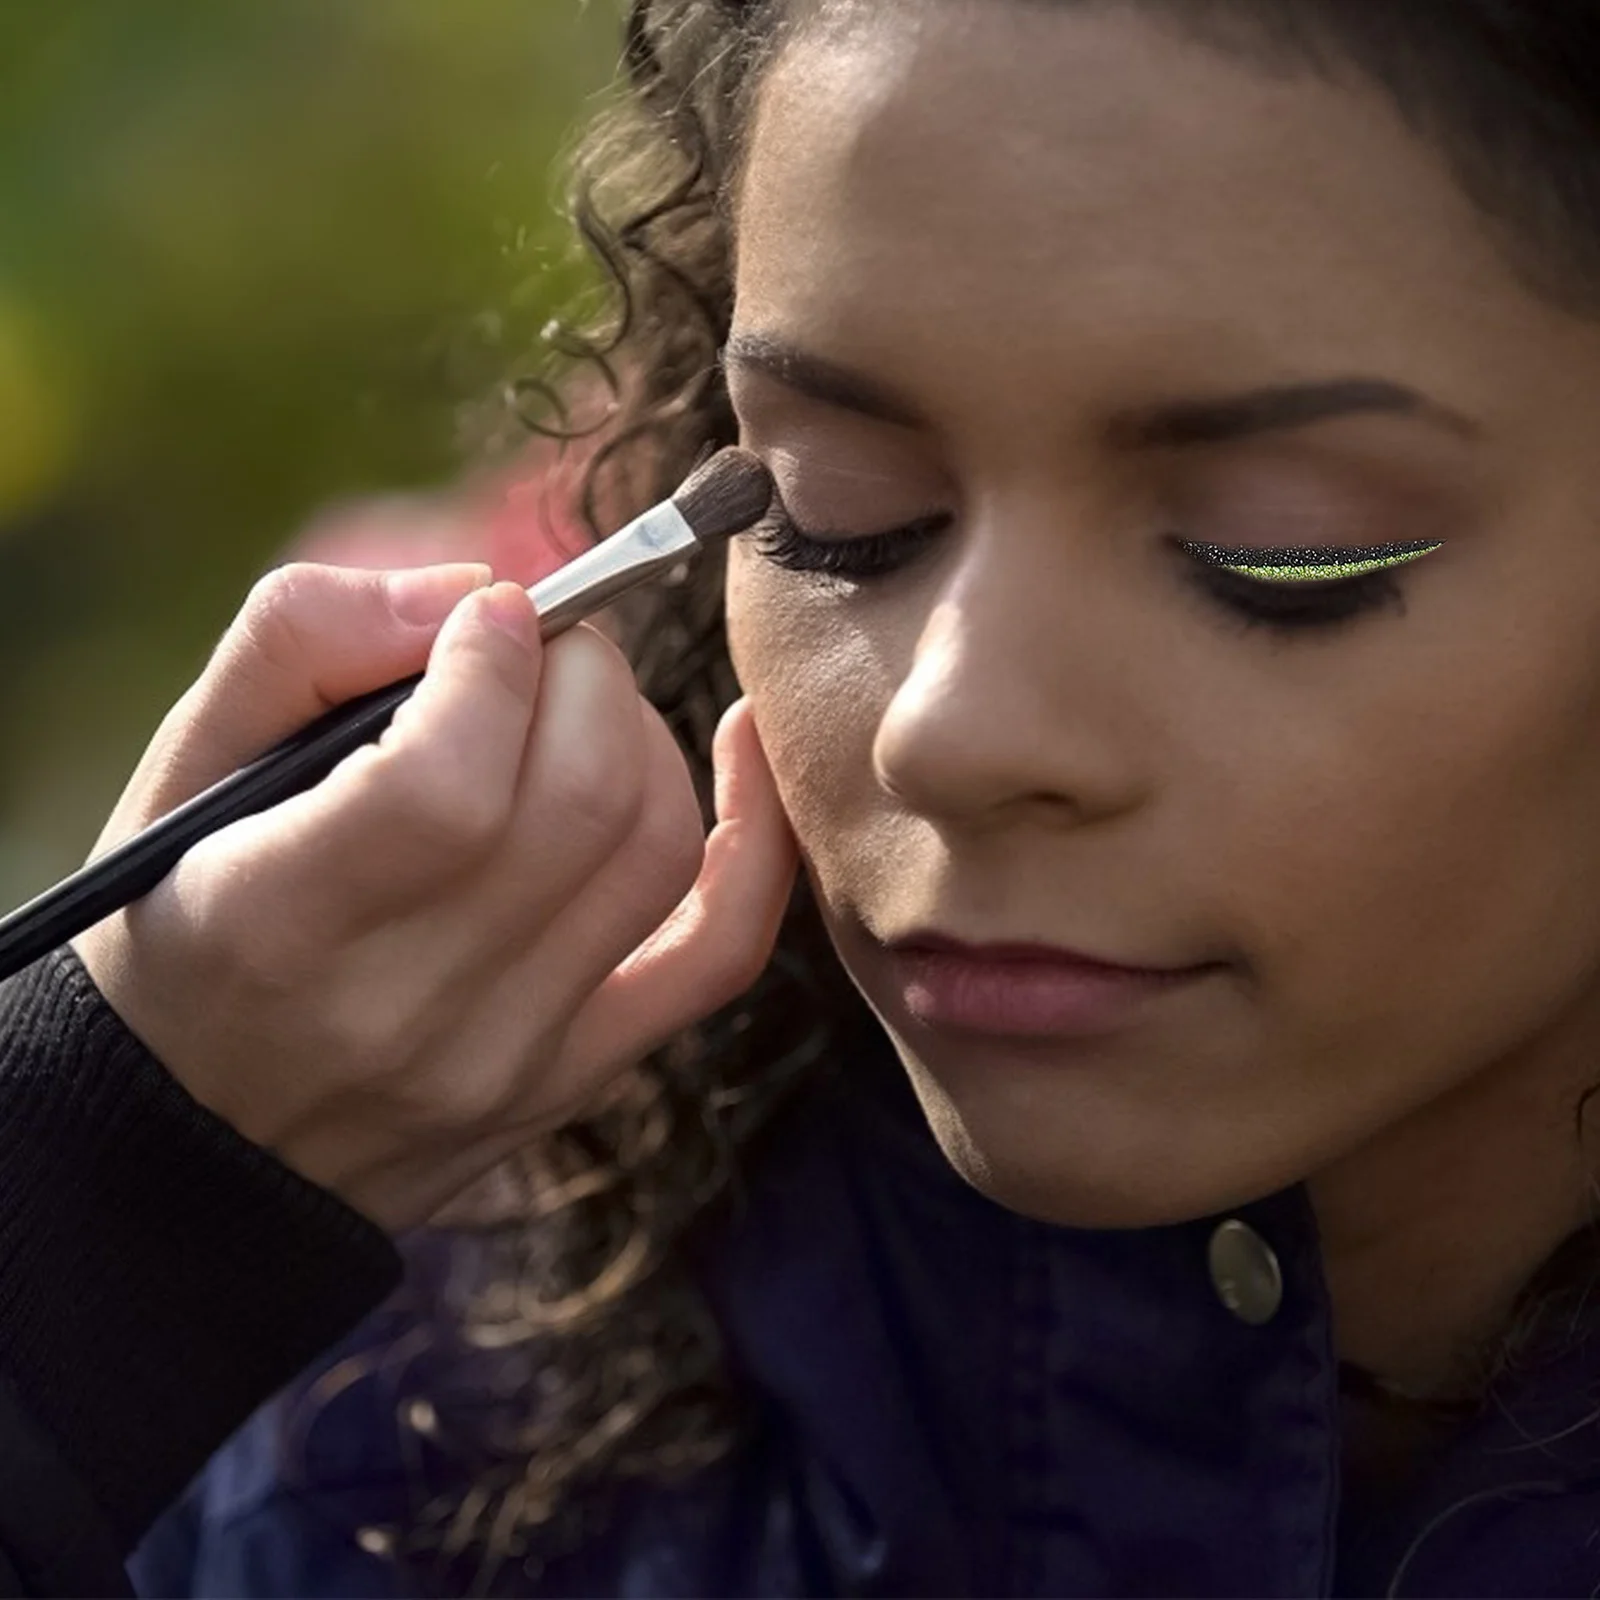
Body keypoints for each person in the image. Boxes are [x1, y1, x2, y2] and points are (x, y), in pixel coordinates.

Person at [10, 0, 1600, 1592]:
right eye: (846, 512)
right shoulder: (403, 1440)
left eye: (1282, 546)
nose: (947, 730)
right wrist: (94, 1227)